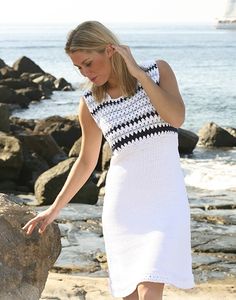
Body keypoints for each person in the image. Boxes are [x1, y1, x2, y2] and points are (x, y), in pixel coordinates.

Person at [23, 20, 195, 300]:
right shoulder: (90, 102)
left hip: (167, 202)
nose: (86, 73)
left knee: (151, 286)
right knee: (130, 293)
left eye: (89, 63)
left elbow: (175, 118)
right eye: (79, 68)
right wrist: (53, 210)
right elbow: (86, 161)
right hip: (124, 206)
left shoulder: (157, 71)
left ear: (110, 50)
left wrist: (138, 74)